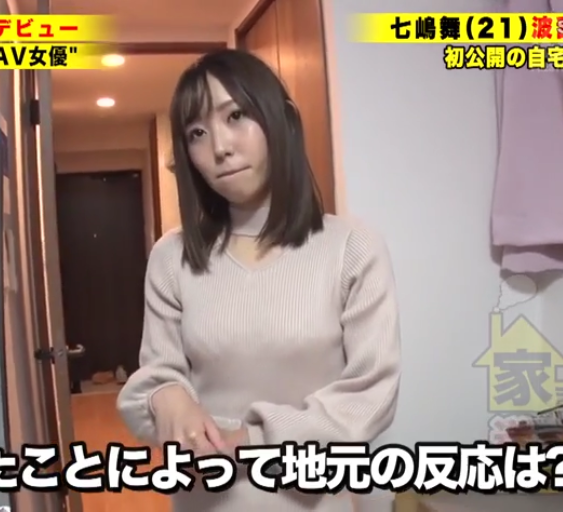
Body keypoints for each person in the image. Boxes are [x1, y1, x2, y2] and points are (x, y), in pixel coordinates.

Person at [116, 48, 401, 511]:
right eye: (197, 133)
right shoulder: (172, 256)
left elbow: (371, 394)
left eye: (236, 116)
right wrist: (166, 397)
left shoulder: (352, 247)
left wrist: (248, 441)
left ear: (280, 120)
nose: (220, 147)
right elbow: (157, 374)